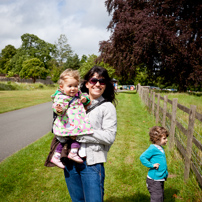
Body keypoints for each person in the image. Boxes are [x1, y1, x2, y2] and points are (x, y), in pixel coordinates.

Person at [64, 65, 117, 202]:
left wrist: (79, 135)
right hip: (70, 161)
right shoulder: (74, 102)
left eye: (102, 81)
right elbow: (59, 125)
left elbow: (109, 137)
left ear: (105, 85)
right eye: (94, 80)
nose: (98, 84)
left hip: (92, 164)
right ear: (87, 83)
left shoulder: (107, 107)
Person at [50, 69, 93, 169]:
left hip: (75, 122)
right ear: (62, 87)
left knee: (71, 137)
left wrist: (85, 99)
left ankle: (57, 156)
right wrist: (59, 109)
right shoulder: (61, 97)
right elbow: (58, 106)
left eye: (75, 86)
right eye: (69, 86)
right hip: (68, 122)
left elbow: (86, 98)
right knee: (70, 138)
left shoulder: (78, 94)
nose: (73, 89)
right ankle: (69, 153)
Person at [140, 126, 169, 202]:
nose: (167, 140)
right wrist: (152, 165)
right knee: (157, 199)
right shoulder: (153, 149)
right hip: (154, 180)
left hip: (159, 178)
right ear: (157, 139)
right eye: (164, 138)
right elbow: (142, 157)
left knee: (160, 197)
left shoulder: (160, 147)